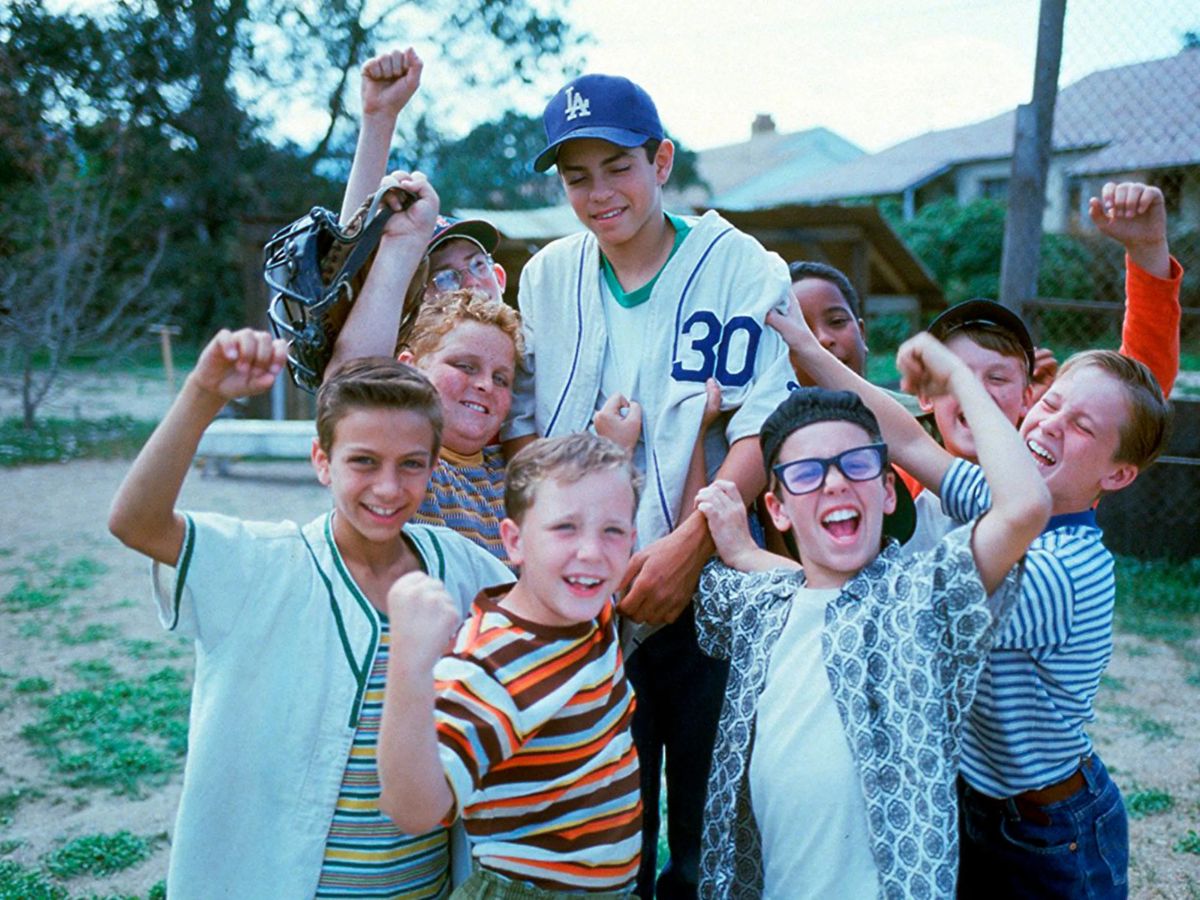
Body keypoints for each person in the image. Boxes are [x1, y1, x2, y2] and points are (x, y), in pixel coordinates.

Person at [767, 297, 1171, 899]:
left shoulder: (1064, 570)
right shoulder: (1002, 499)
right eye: (1053, 403)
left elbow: (913, 612)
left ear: (1116, 475)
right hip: (981, 801)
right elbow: (907, 439)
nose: (1052, 424)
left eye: (1083, 427)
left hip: (1052, 829)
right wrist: (804, 348)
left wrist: (958, 377)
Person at [505, 72, 796, 897]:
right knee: (603, 834)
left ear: (660, 159)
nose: (599, 192)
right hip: (585, 594)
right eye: (575, 175)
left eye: (617, 165)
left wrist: (687, 547)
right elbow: (522, 420)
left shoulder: (737, 263)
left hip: (703, 587)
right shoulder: (548, 275)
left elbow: (759, 428)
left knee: (709, 838)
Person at [107, 336, 513, 898]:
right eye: (363, 462)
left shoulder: (464, 567)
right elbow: (136, 522)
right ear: (322, 461)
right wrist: (202, 393)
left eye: (411, 465)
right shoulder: (264, 566)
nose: (389, 488)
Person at [690, 339, 1050, 897]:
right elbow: (712, 534)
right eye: (808, 472)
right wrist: (703, 447)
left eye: (856, 465)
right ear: (778, 508)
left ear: (887, 492)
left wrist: (958, 376)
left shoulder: (923, 599)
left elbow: (1024, 508)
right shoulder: (762, 606)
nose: (835, 482)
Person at [378, 433, 643, 898]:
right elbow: (413, 810)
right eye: (565, 528)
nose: (591, 552)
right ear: (514, 542)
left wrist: (614, 451)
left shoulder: (589, 603)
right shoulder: (491, 668)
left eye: (613, 531)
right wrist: (408, 668)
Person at [339, 47, 507, 306]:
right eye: (444, 278)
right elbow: (346, 276)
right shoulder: (405, 347)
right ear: (411, 301)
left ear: (499, 277)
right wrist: (379, 118)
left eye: (477, 264)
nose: (471, 284)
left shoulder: (535, 343)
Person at [397, 288, 524, 564]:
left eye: (501, 379)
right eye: (465, 366)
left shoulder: (515, 474)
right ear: (410, 369)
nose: (485, 385)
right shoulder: (402, 463)